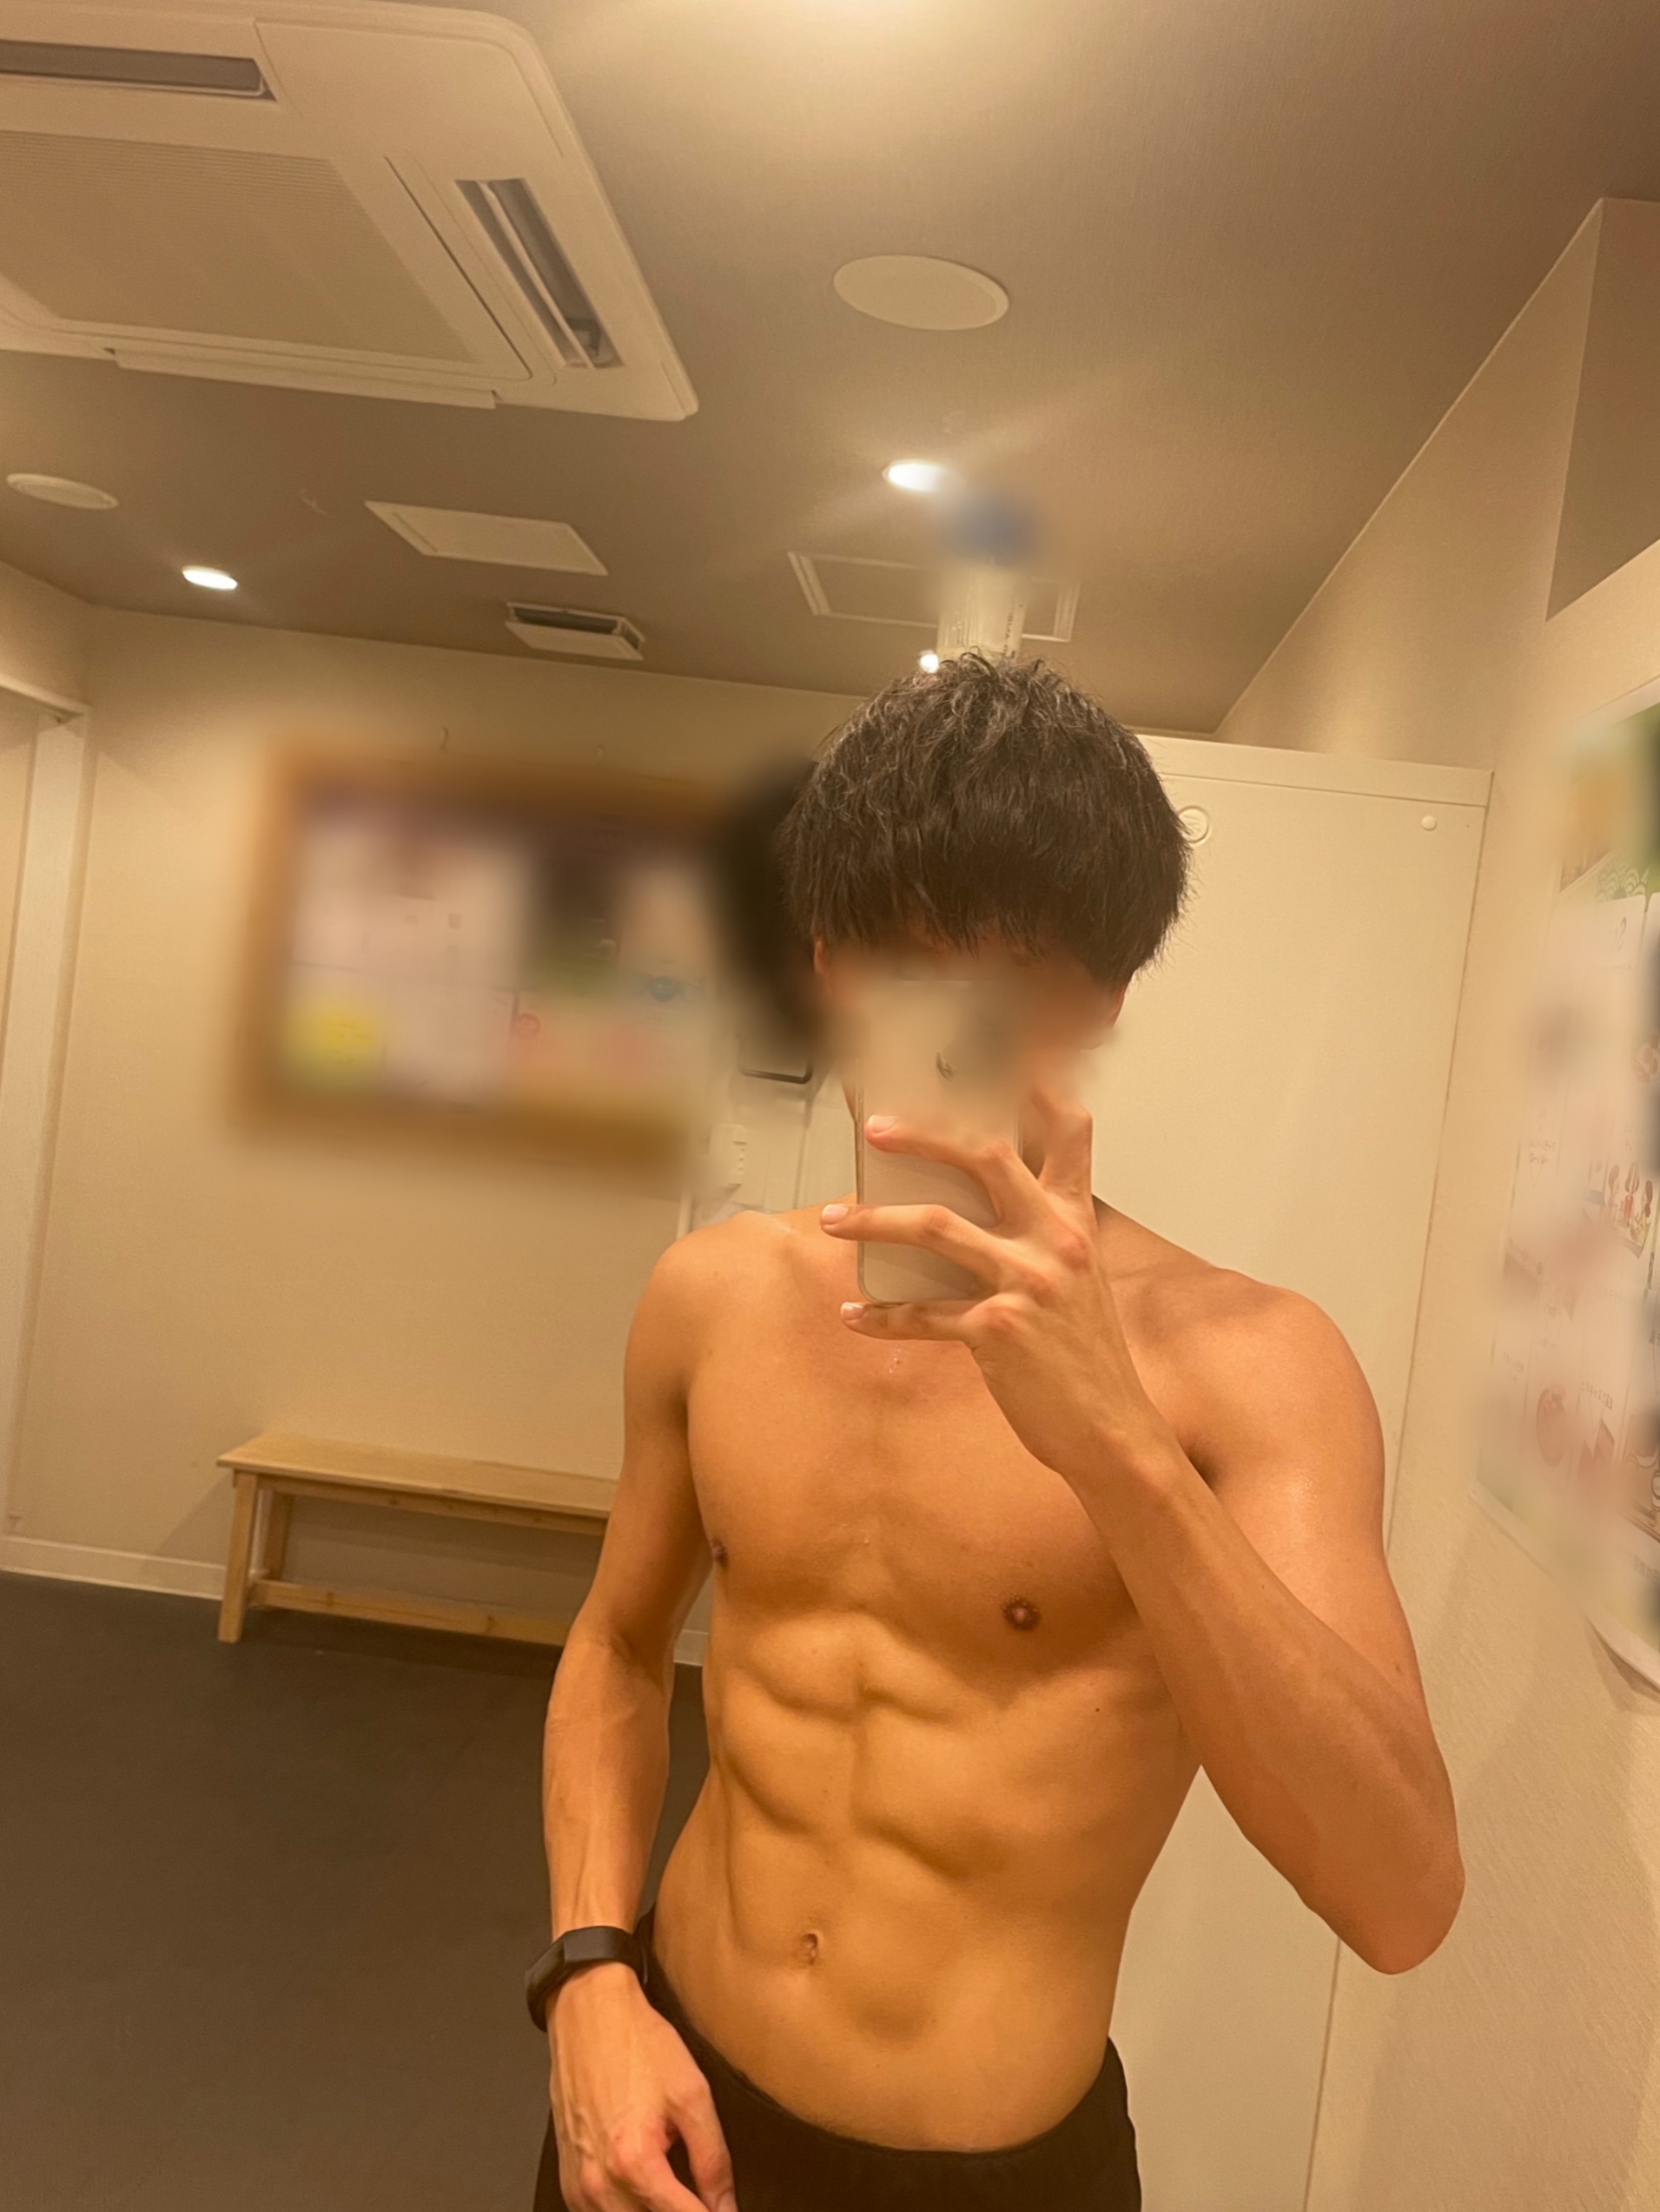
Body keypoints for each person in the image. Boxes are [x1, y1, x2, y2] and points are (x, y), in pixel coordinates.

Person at [532, 656, 1463, 2212]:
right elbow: (617, 1651)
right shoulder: (712, 1296)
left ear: (1103, 998)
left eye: (1017, 967)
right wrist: (589, 1976)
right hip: (663, 2092)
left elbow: (1402, 1899)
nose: (954, 1021)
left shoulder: (1249, 1366)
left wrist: (1117, 1448)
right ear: (825, 957)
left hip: (987, 2175)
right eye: (905, 954)